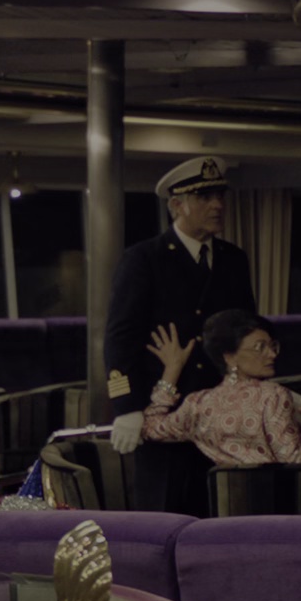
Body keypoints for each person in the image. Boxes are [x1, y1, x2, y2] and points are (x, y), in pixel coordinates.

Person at [105, 155, 258, 513]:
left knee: (219, 512)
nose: (217, 205)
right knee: (163, 512)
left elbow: (247, 332)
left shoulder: (234, 259)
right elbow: (120, 339)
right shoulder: (144, 259)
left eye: (219, 196)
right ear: (177, 206)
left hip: (221, 413)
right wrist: (127, 406)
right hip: (164, 412)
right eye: (204, 197)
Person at [144, 309, 301, 467]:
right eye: (260, 347)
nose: (272, 354)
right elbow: (296, 462)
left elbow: (150, 427)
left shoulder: (198, 403)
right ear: (229, 357)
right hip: (274, 500)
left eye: (272, 346)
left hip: (227, 500)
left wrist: (172, 369)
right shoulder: (274, 395)